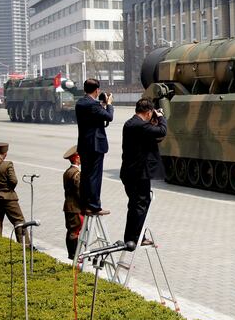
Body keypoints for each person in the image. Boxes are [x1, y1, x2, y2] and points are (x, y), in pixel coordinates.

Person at [120, 98, 167, 246]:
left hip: (130, 172)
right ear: (148, 112)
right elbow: (162, 131)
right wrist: (161, 117)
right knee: (140, 205)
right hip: (138, 174)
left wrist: (153, 121)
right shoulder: (140, 125)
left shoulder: (130, 123)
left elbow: (152, 138)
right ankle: (135, 238)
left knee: (135, 205)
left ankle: (133, 236)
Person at [75, 78, 113, 215]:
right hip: (95, 146)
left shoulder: (80, 103)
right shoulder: (93, 105)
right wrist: (109, 104)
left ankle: (85, 204)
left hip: (84, 145)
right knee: (95, 176)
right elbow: (109, 117)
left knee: (86, 175)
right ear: (97, 90)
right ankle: (94, 206)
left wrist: (101, 105)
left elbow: (94, 117)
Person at [62, 145, 83, 259]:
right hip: (76, 207)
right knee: (74, 231)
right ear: (76, 158)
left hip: (68, 206)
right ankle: (74, 254)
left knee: (71, 230)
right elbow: (80, 192)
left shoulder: (67, 171)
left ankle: (72, 254)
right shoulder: (77, 173)